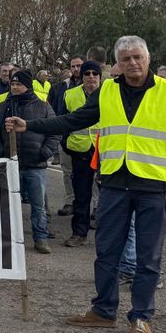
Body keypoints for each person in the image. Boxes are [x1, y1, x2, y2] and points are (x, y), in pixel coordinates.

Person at [8, 35, 166, 333]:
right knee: (106, 252)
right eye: (126, 59)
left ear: (147, 58)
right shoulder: (107, 90)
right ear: (117, 65)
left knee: (148, 258)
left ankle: (141, 317)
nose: (133, 63)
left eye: (138, 57)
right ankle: (104, 310)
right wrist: (31, 126)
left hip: (155, 187)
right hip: (115, 185)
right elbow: (75, 119)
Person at [0, 70, 59, 253]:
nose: (15, 87)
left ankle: (41, 238)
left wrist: (45, 152)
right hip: (12, 165)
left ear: (28, 85)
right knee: (10, 205)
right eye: (13, 84)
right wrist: (2, 151)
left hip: (36, 165)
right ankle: (11, 239)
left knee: (38, 206)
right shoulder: (4, 106)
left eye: (19, 84)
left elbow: (55, 130)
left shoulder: (43, 107)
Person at [61, 60, 103, 247]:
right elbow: (61, 121)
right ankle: (79, 233)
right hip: (80, 151)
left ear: (100, 76)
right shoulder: (70, 95)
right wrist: (65, 143)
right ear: (81, 76)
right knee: (82, 195)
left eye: (95, 73)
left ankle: (107, 236)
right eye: (87, 73)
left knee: (110, 197)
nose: (91, 76)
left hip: (107, 152)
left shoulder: (110, 94)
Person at [51, 56, 85, 217]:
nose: (76, 69)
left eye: (79, 66)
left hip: (89, 140)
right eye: (73, 66)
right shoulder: (61, 88)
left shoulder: (95, 86)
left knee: (90, 177)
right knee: (67, 171)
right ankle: (70, 201)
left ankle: (95, 206)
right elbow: (54, 111)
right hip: (66, 137)